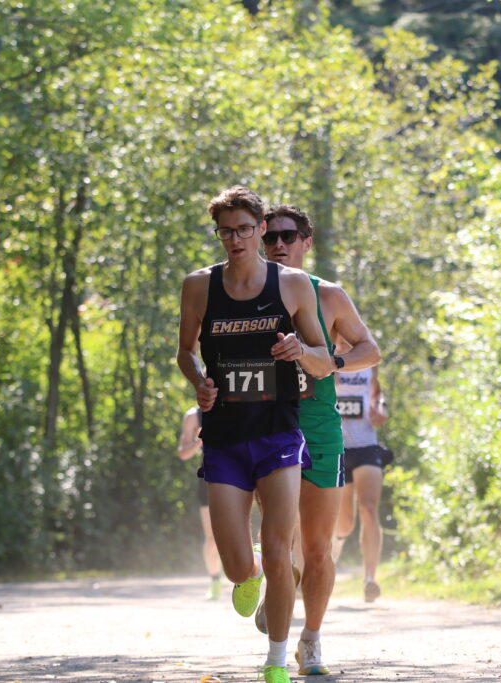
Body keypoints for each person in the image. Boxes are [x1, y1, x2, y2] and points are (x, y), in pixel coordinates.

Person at [176, 186, 333, 683]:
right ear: (218, 234)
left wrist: (298, 350)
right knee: (237, 566)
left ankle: (276, 660)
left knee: (280, 543)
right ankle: (251, 576)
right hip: (223, 437)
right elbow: (185, 352)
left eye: (245, 229)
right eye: (227, 231)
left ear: (261, 230)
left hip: (279, 434)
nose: (236, 238)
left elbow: (323, 363)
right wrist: (200, 383)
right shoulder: (199, 286)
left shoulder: (292, 286)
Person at [261, 204, 380, 676]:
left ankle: (310, 639)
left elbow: (370, 350)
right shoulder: (243, 294)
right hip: (263, 427)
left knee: (316, 548)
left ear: (306, 242)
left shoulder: (328, 295)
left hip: (319, 428)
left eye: (288, 236)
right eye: (270, 238)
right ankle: (271, 581)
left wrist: (331, 363)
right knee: (274, 541)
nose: (279, 245)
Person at [332, 355, 391, 603]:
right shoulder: (326, 352)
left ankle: (370, 578)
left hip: (367, 443)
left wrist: (380, 408)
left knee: (368, 507)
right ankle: (333, 551)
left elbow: (377, 394)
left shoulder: (369, 357)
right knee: (345, 523)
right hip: (339, 445)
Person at [177, 405, 223, 599]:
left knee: (241, 531)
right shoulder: (193, 417)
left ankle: (247, 577)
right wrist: (199, 441)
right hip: (208, 477)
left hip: (238, 473)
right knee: (212, 539)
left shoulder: (237, 405)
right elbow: (182, 453)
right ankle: (215, 581)